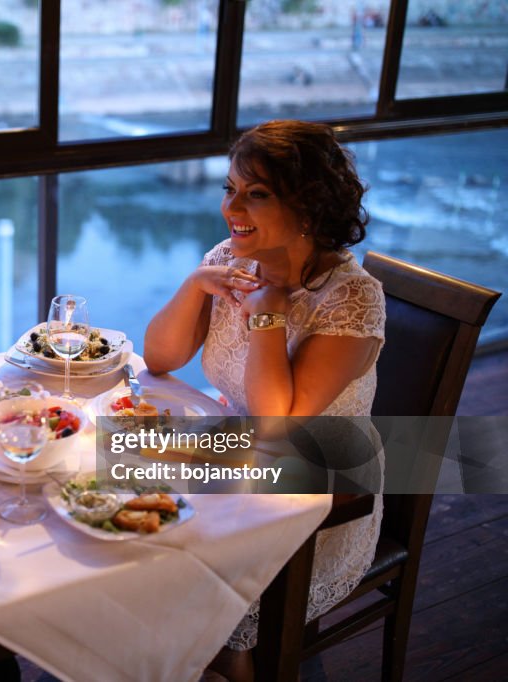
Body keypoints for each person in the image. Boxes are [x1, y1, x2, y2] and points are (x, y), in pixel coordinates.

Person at [144, 120, 385, 680]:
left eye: (256, 194)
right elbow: (159, 359)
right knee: (120, 487)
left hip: (318, 482)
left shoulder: (351, 300)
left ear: (307, 207)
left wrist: (270, 312)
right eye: (230, 188)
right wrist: (196, 284)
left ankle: (228, 658)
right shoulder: (233, 256)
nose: (233, 207)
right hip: (236, 448)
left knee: (191, 572)